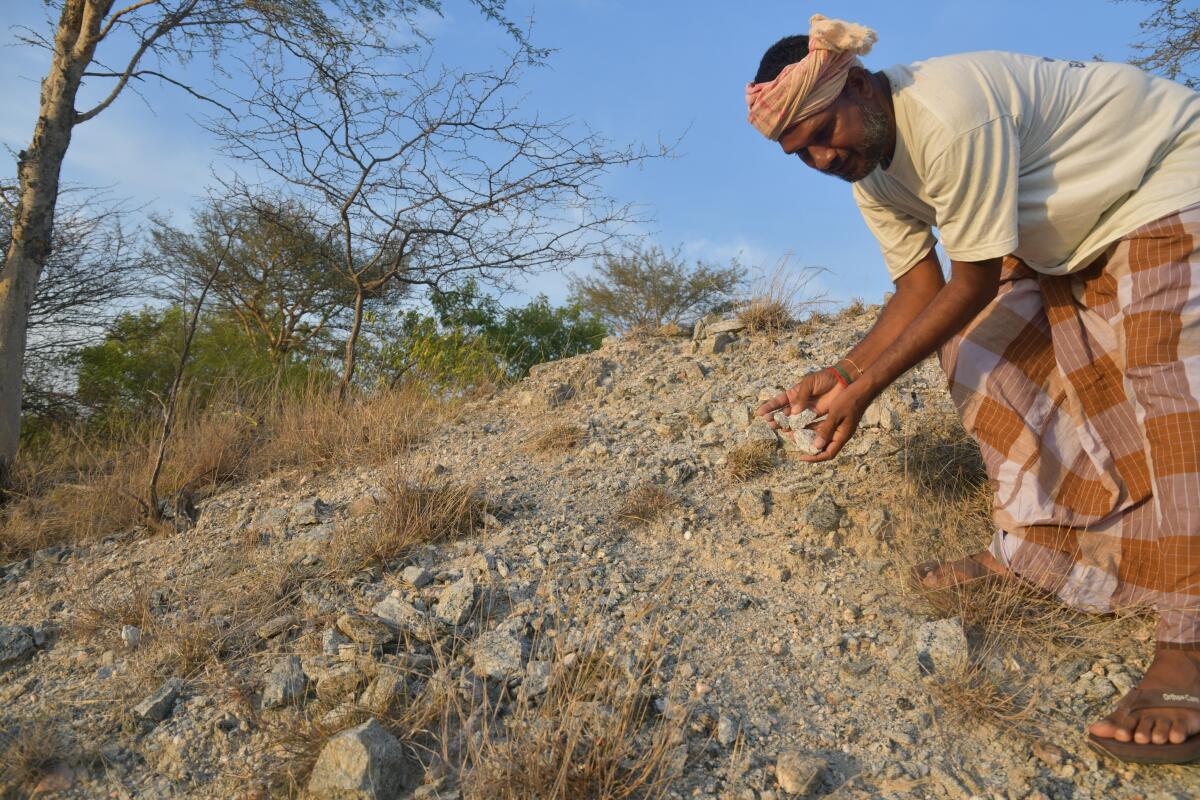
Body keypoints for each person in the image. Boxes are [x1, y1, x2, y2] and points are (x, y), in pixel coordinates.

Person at [749, 14, 1200, 764]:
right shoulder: (872, 172)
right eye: (804, 154)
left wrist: (867, 393)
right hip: (1069, 235)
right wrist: (838, 375)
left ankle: (1189, 645)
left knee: (1167, 379)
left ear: (859, 84)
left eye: (826, 131)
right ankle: (1035, 553)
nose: (825, 157)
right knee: (978, 349)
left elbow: (974, 279)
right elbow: (917, 290)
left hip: (1164, 181)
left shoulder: (949, 114)